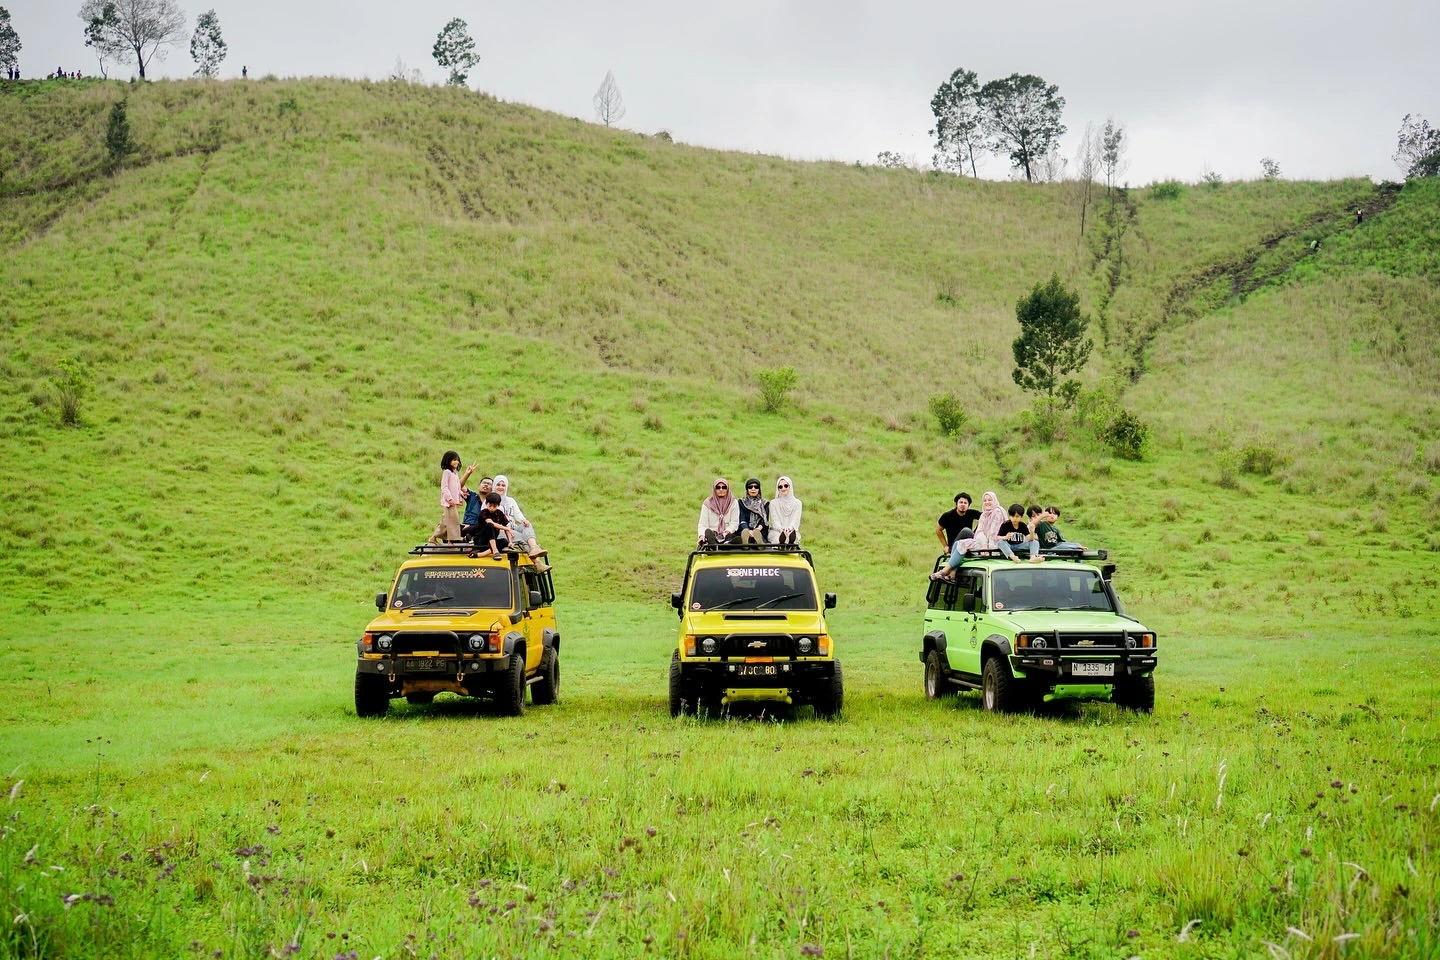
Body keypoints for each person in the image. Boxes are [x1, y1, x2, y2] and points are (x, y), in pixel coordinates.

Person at [930, 491, 1005, 581]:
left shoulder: (980, 513)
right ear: (956, 504)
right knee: (961, 539)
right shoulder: (948, 515)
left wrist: (978, 532)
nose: (963, 505)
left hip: (984, 542)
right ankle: (951, 572)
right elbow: (938, 529)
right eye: (960, 502)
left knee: (966, 532)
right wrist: (945, 545)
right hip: (952, 546)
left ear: (968, 505)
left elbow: (984, 522)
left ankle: (950, 572)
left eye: (965, 503)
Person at [491, 475, 549, 570]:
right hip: (501, 530)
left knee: (527, 526)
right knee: (523, 539)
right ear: (494, 486)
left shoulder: (510, 501)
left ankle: (534, 547)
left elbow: (517, 513)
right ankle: (537, 562)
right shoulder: (490, 501)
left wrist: (524, 520)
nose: (501, 487)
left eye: (503, 485)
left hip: (513, 527)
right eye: (498, 485)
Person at [428, 450, 464, 544]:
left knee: (445, 521)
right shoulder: (447, 472)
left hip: (453, 501)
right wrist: (450, 499)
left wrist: (460, 495)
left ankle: (434, 537)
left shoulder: (455, 473)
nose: (456, 462)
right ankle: (450, 541)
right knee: (453, 520)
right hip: (448, 502)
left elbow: (456, 487)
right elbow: (444, 487)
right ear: (448, 461)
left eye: (457, 460)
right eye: (453, 460)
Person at [698, 479, 738, 546]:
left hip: (727, 533)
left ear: (727, 489)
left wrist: (725, 533)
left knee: (731, 537)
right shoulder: (707, 503)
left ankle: (726, 543)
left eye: (724, 487)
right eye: (718, 487)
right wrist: (701, 535)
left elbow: (734, 523)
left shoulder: (733, 502)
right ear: (714, 489)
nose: (721, 489)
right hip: (713, 533)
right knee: (709, 535)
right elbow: (703, 524)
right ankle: (713, 543)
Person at [477, 492, 513, 560]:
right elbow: (491, 523)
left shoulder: (500, 513)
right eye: (490, 506)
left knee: (505, 541)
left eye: (494, 506)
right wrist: (506, 528)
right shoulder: (483, 512)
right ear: (486, 504)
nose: (491, 508)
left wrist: (510, 542)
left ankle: (483, 554)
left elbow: (507, 526)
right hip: (481, 540)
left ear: (498, 505)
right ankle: (495, 551)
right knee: (490, 526)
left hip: (492, 542)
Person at [767, 476, 802, 544]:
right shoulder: (773, 503)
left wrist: (789, 529)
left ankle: (790, 541)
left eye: (786, 486)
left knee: (792, 537)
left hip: (791, 531)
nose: (783, 488)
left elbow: (795, 520)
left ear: (790, 486)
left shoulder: (797, 503)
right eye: (780, 487)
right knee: (778, 538)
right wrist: (781, 529)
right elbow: (775, 520)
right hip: (776, 531)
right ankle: (782, 543)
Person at [737, 479, 768, 544]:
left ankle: (759, 543)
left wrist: (757, 530)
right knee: (743, 533)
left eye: (756, 487)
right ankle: (746, 543)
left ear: (759, 489)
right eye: (750, 487)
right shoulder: (741, 502)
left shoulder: (765, 503)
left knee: (760, 535)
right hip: (745, 529)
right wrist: (748, 530)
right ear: (747, 490)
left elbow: (764, 520)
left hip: (760, 530)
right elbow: (741, 518)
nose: (753, 489)